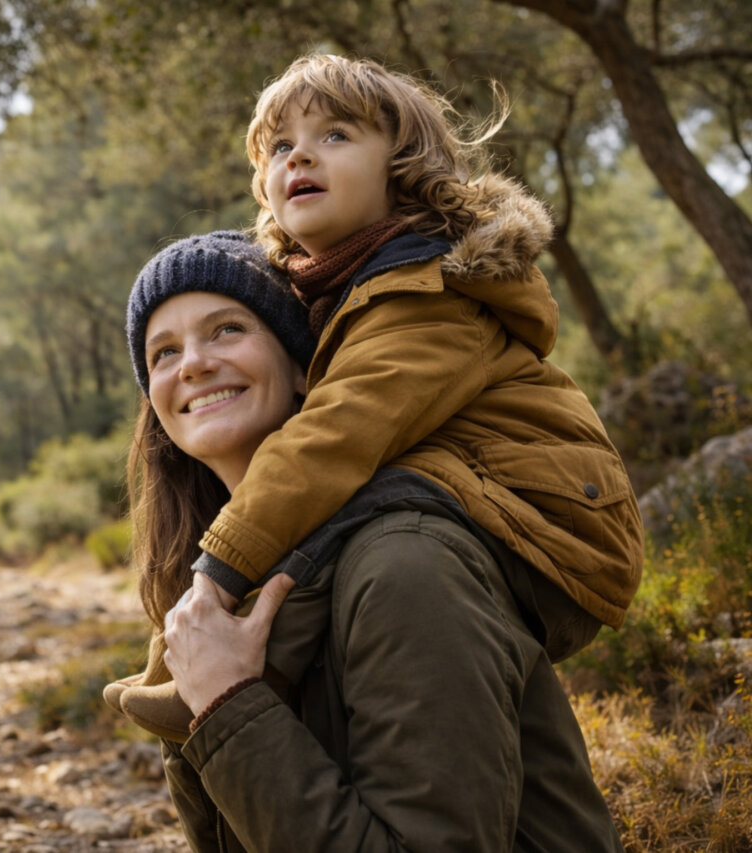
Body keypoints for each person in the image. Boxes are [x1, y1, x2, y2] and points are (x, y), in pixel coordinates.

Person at [111, 52, 643, 746]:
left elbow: (336, 434)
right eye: (280, 146)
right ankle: (198, 669)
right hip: (480, 503)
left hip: (548, 524)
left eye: (335, 135)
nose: (301, 154)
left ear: (402, 166)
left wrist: (215, 569)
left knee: (343, 503)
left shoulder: (430, 291)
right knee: (343, 513)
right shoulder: (351, 293)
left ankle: (217, 675)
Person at [109, 229, 623, 850]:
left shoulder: (408, 564)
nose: (191, 363)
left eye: (227, 330)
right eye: (163, 353)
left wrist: (229, 705)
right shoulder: (211, 598)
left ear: (305, 368)